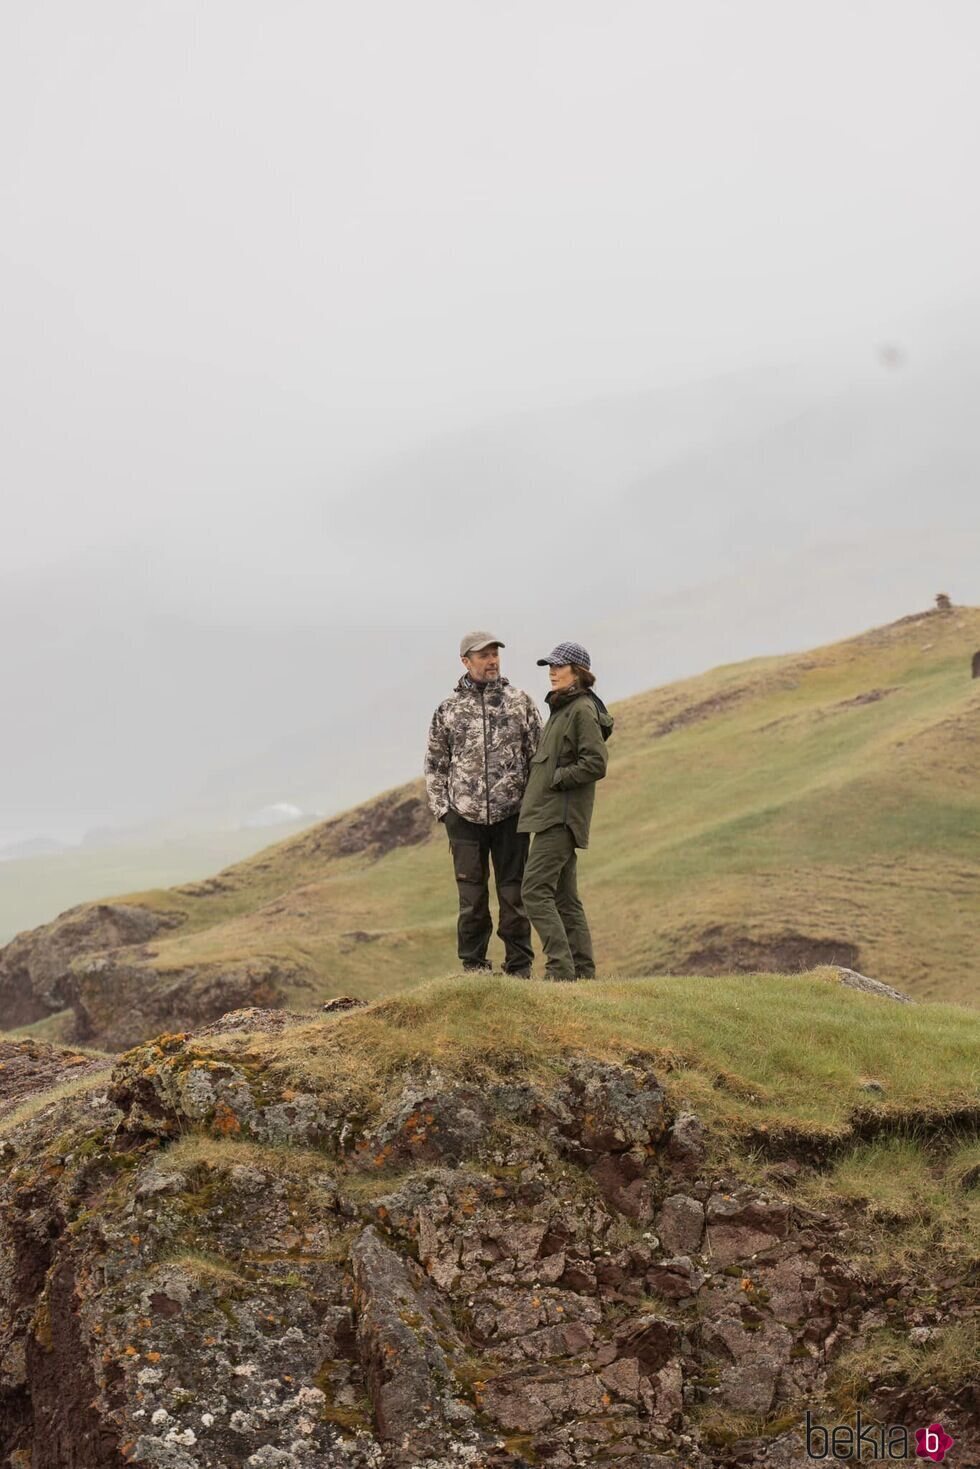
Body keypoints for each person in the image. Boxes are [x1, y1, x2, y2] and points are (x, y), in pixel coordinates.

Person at [425, 631, 543, 975]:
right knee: (472, 901)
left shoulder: (519, 701)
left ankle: (519, 968)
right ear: (466, 662)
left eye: (495, 654)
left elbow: (537, 756)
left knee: (513, 897)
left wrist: (531, 805)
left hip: (512, 816)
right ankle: (474, 967)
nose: (491, 661)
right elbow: (435, 763)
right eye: (483, 656)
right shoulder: (448, 709)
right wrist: (444, 811)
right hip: (464, 819)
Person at [518, 641, 614, 982]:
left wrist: (557, 779)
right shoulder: (563, 709)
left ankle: (560, 971)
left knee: (533, 891)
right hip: (551, 815)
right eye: (550, 666)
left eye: (559, 666)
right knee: (565, 898)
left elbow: (595, 763)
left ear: (579, 672)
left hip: (559, 817)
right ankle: (583, 974)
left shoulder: (581, 710)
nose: (552, 671)